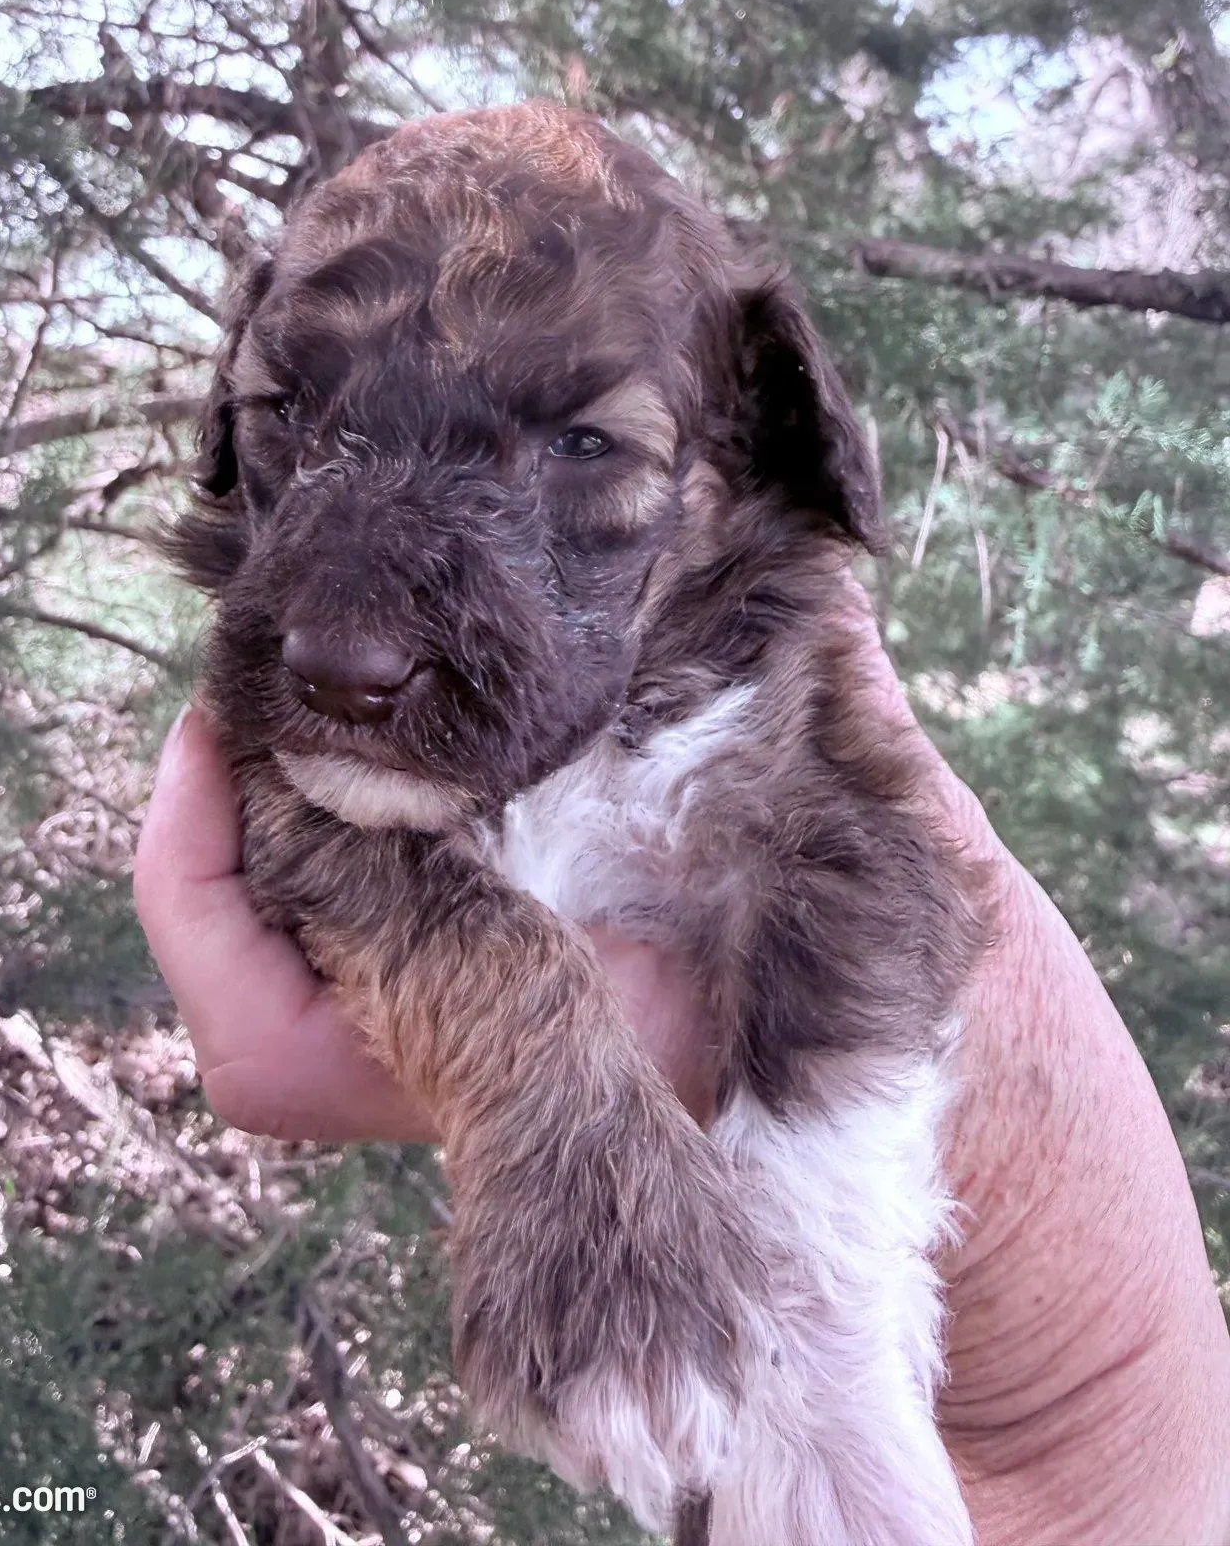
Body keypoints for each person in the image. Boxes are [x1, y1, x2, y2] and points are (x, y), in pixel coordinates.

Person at [135, 608, 1230, 1546]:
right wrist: (544, 1075)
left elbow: (875, 874)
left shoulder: (751, 645)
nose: (353, 634)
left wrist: (814, 1348)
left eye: (579, 442)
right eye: (293, 418)